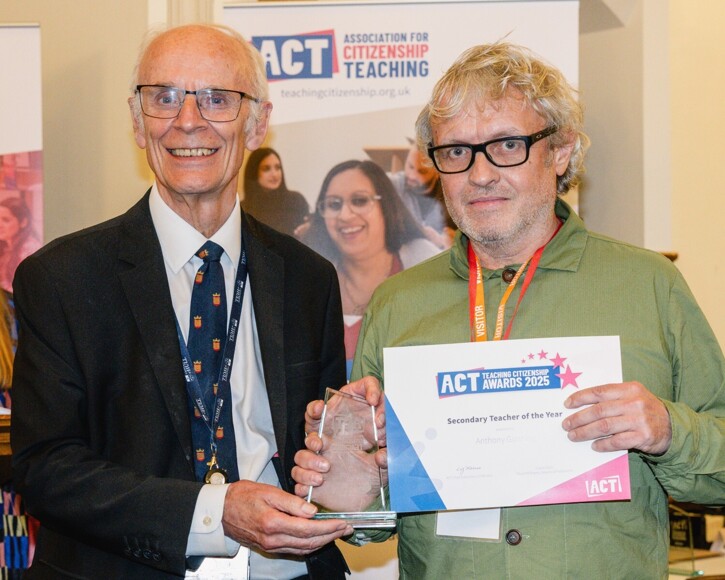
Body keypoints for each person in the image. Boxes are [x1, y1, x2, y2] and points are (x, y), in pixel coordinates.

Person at [293, 41, 725, 578]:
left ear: (560, 151)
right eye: (456, 151)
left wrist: (667, 431)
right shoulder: (397, 302)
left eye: (506, 145)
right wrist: (349, 482)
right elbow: (373, 514)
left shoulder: (649, 285)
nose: (479, 174)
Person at [10, 23, 353, 579]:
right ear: (137, 122)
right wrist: (214, 513)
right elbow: (45, 468)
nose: (188, 120)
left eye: (217, 98)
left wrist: (354, 454)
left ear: (257, 123)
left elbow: (321, 463)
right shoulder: (61, 279)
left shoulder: (308, 279)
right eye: (164, 97)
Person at [302, 159, 439, 376]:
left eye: (359, 201)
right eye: (334, 205)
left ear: (386, 207)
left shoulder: (426, 264)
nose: (345, 215)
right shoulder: (309, 282)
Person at [387, 142, 454, 250]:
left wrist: (441, 241)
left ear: (438, 172)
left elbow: (459, 243)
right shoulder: (395, 185)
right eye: (410, 166)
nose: (412, 176)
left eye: (422, 171)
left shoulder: (451, 197)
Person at [242, 147, 310, 236]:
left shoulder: (296, 201)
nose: (274, 174)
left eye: (278, 168)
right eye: (266, 169)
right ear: (254, 173)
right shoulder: (243, 209)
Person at [0, 197, 42, 292]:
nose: (0, 225)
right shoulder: (6, 247)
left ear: (23, 222)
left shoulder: (30, 249)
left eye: (6, 220)